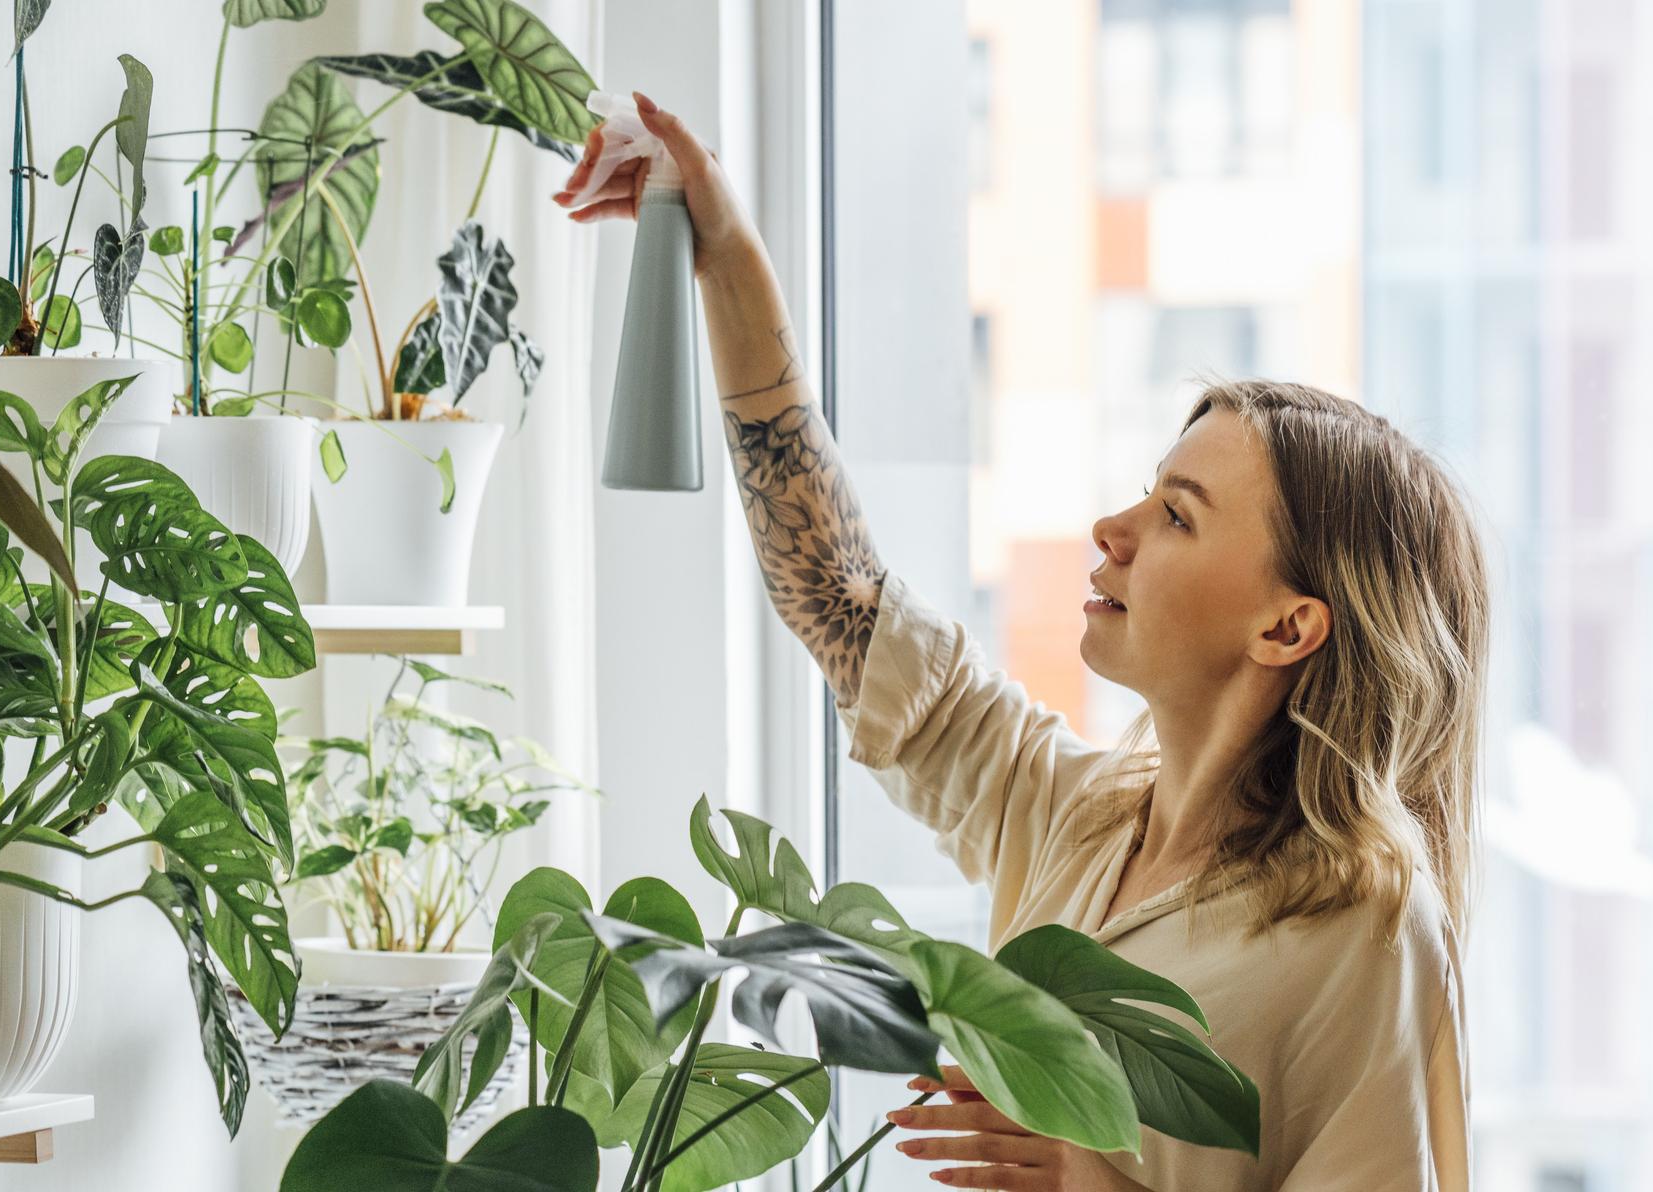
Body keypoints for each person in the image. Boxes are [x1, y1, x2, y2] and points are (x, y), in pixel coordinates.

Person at [558, 91, 1484, 1192]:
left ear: (1289, 625)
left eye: (1178, 515)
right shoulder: (1073, 820)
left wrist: (1091, 1180)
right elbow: (841, 598)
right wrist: (726, 255)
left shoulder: (1365, 921)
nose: (1114, 529)